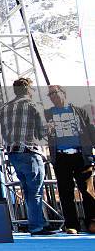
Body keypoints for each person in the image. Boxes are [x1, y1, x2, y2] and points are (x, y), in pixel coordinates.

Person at [0, 78, 56, 235]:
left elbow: (4, 133)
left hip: (13, 153)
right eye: (32, 89)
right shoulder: (33, 105)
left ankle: (38, 222)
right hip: (29, 151)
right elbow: (43, 131)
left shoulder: (5, 108)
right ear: (28, 89)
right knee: (35, 190)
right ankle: (37, 226)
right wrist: (51, 126)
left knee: (27, 190)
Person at [44, 85, 95, 234]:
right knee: (66, 193)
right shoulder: (47, 114)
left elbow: (90, 131)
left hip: (81, 156)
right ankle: (71, 225)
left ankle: (92, 222)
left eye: (55, 93)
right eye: (50, 94)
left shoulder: (79, 111)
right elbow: (41, 133)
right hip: (61, 157)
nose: (53, 96)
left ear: (63, 93)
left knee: (88, 191)